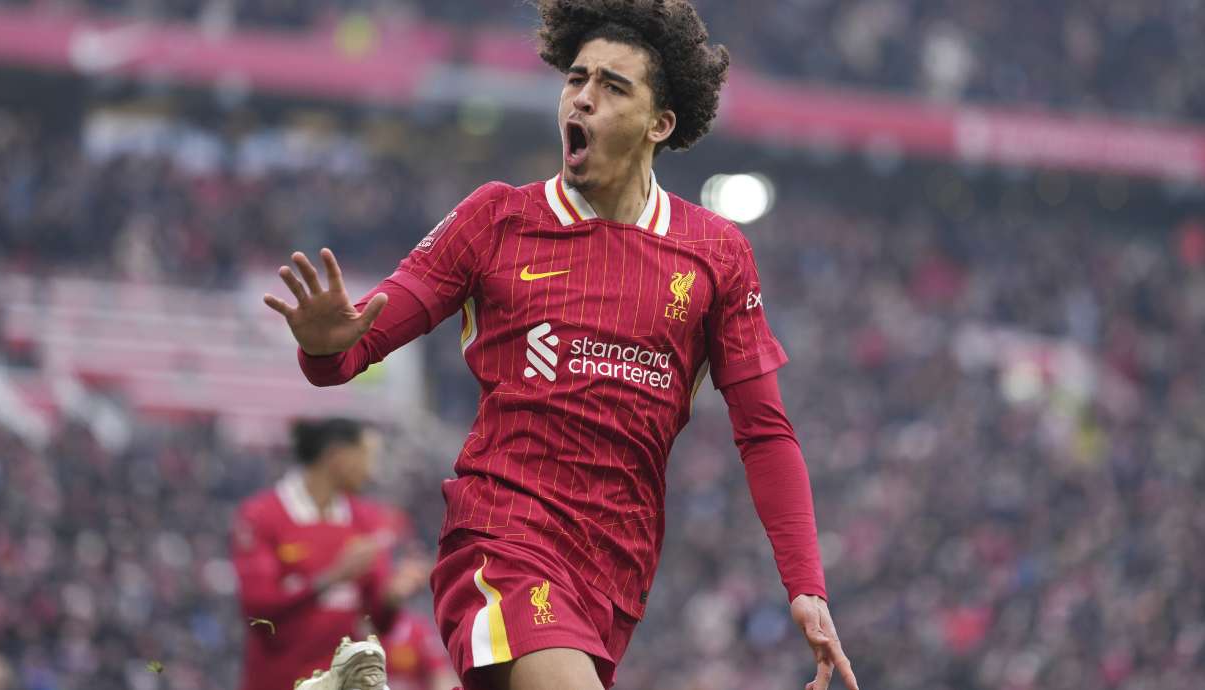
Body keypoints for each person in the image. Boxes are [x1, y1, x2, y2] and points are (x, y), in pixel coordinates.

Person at [264, 1, 859, 688]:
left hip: (616, 571)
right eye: (576, 79)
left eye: (612, 86)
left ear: (659, 124)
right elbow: (353, 347)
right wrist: (325, 343)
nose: (582, 97)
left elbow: (766, 433)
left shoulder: (715, 254)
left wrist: (806, 585)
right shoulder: (498, 220)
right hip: (502, 539)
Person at [232, 418, 416, 690]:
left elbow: (378, 621)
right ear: (337, 456)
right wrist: (332, 577)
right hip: (278, 680)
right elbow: (257, 610)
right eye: (366, 456)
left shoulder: (366, 519)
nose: (371, 471)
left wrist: (392, 597)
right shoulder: (262, 516)